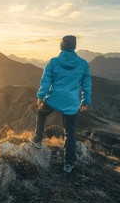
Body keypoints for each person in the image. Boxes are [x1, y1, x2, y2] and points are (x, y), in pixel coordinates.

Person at [31, 35, 92, 173]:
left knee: (41, 113)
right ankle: (69, 163)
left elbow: (46, 80)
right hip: (71, 102)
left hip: (54, 98)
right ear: (74, 47)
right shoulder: (83, 64)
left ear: (61, 46)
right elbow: (86, 84)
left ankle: (37, 140)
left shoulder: (53, 62)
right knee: (69, 131)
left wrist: (41, 96)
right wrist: (85, 101)